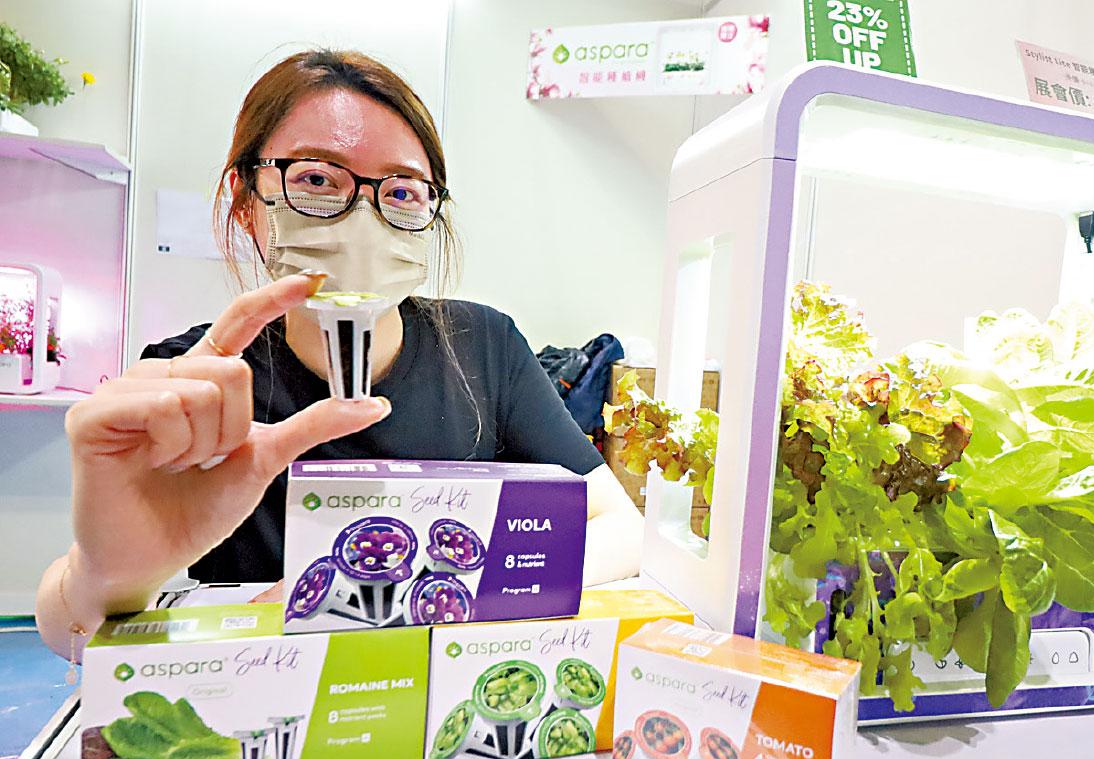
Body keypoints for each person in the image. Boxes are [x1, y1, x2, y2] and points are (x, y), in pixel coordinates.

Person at [36, 49, 643, 660]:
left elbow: (621, 528)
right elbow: (71, 638)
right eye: (317, 180)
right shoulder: (194, 383)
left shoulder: (484, 346)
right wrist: (108, 576)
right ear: (246, 202)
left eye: (401, 191)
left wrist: (424, 594)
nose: (363, 219)